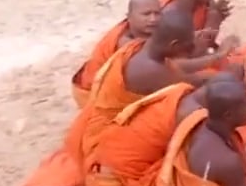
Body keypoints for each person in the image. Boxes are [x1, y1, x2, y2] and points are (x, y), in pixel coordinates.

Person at [88, 71, 246, 186]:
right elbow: (201, 164)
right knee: (185, 171)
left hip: (102, 175)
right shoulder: (192, 116)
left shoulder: (182, 90)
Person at [79, 9, 210, 165]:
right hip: (108, 143)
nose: (190, 51)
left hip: (105, 127)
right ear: (174, 44)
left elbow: (178, 66)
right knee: (192, 108)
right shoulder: (150, 70)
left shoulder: (143, 46)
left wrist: (215, 56)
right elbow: (192, 85)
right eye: (188, 46)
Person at [71, 0, 161, 109]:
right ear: (129, 17)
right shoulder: (125, 43)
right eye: (146, 14)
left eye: (157, 13)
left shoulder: (145, 32)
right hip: (91, 93)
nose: (153, 19)